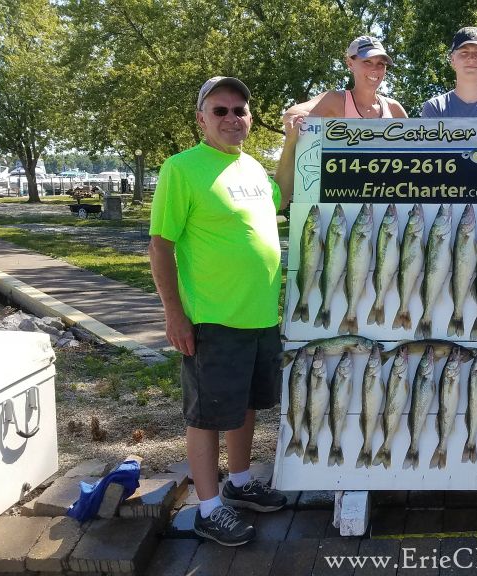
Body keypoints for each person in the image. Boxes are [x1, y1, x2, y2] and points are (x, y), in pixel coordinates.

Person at [149, 76, 292, 547]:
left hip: (259, 317)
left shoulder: (251, 168)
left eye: (240, 110)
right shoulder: (181, 168)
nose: (232, 118)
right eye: (220, 111)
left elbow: (283, 198)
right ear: (201, 119)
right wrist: (175, 314)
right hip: (213, 317)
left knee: (244, 406)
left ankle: (242, 481)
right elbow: (161, 244)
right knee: (207, 415)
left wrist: (292, 140)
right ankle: (209, 508)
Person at [282, 35, 407, 120]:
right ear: (350, 64)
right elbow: (290, 115)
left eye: (380, 64)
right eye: (367, 62)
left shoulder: (393, 108)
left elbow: (416, 148)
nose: (374, 69)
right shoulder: (334, 100)